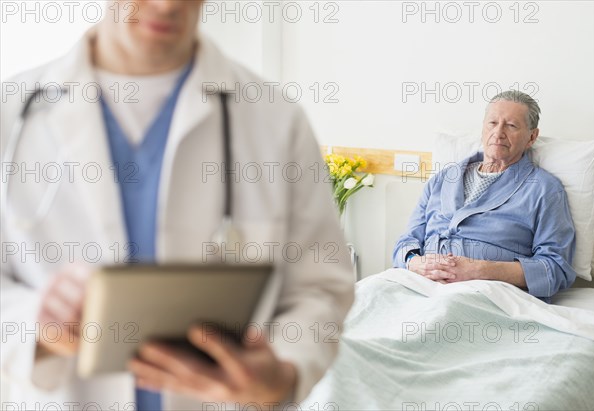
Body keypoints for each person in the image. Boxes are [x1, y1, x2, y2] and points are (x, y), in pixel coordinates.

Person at [0, 1, 354, 409]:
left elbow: (319, 285)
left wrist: (285, 372)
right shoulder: (12, 115)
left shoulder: (273, 119)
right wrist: (36, 325)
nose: (168, 4)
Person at [392, 90, 576, 303]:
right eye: (492, 123)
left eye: (512, 126)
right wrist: (414, 262)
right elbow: (406, 241)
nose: (498, 133)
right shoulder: (443, 179)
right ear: (482, 128)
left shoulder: (544, 189)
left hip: (486, 295)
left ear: (531, 137)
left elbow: (555, 269)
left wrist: (480, 269)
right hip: (418, 285)